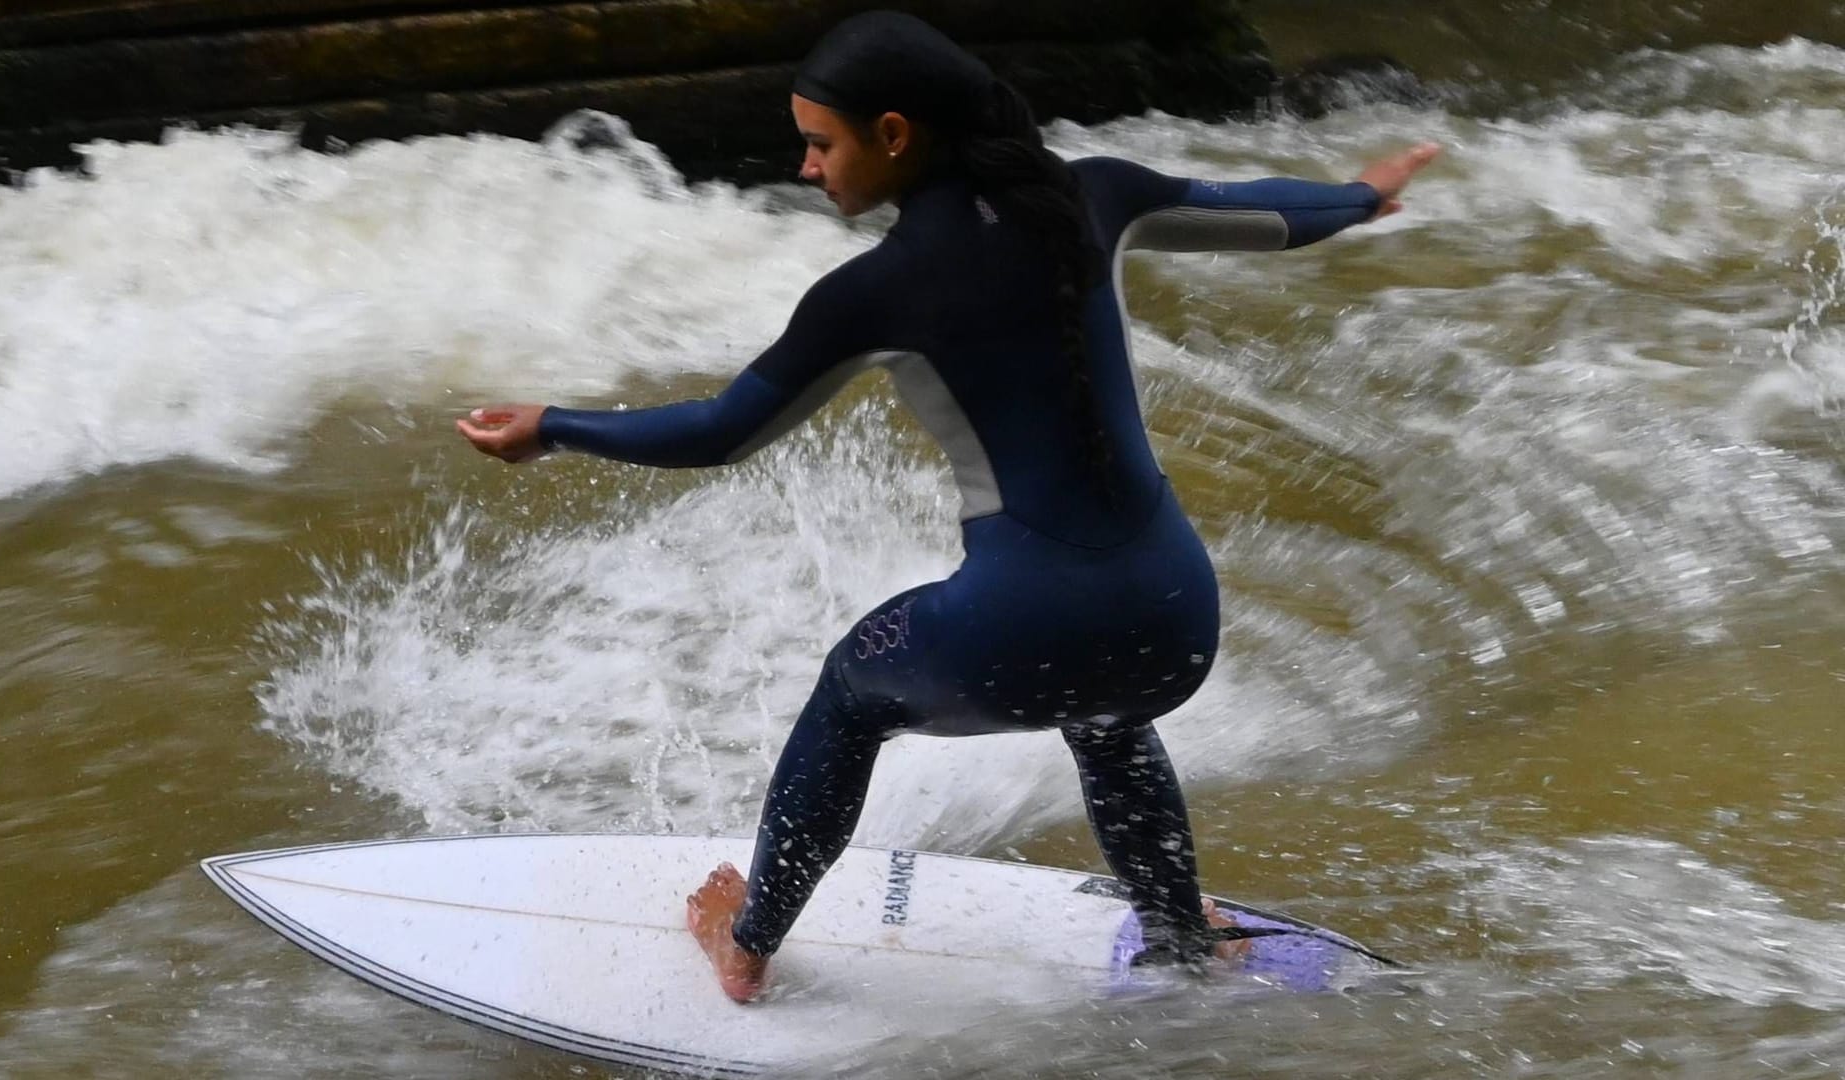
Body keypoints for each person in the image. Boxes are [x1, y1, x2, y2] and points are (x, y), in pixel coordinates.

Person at [457, 11, 1438, 1004]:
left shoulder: (873, 292)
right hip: (1177, 617)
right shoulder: (1091, 195)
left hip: (1025, 629)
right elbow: (1267, 213)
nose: (806, 168)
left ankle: (746, 945)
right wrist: (1361, 195)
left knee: (850, 694)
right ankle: (1181, 933)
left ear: (894, 135)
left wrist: (556, 425)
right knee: (1104, 715)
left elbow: (717, 431)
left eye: (819, 142)